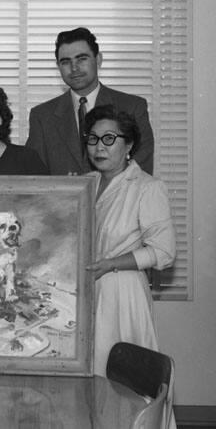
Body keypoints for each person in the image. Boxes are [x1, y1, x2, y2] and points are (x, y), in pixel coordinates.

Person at [83, 104, 175, 379]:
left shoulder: (147, 187)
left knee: (123, 382)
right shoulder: (84, 184)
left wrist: (112, 263)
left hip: (122, 293)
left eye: (109, 139)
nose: (99, 147)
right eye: (93, 139)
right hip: (87, 292)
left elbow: (163, 252)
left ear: (129, 145)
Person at [26, 27, 155, 175]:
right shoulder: (42, 116)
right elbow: (34, 176)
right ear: (58, 67)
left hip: (120, 197)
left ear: (98, 59)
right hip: (64, 198)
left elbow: (141, 170)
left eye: (82, 59)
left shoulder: (132, 107)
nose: (74, 68)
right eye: (66, 62)